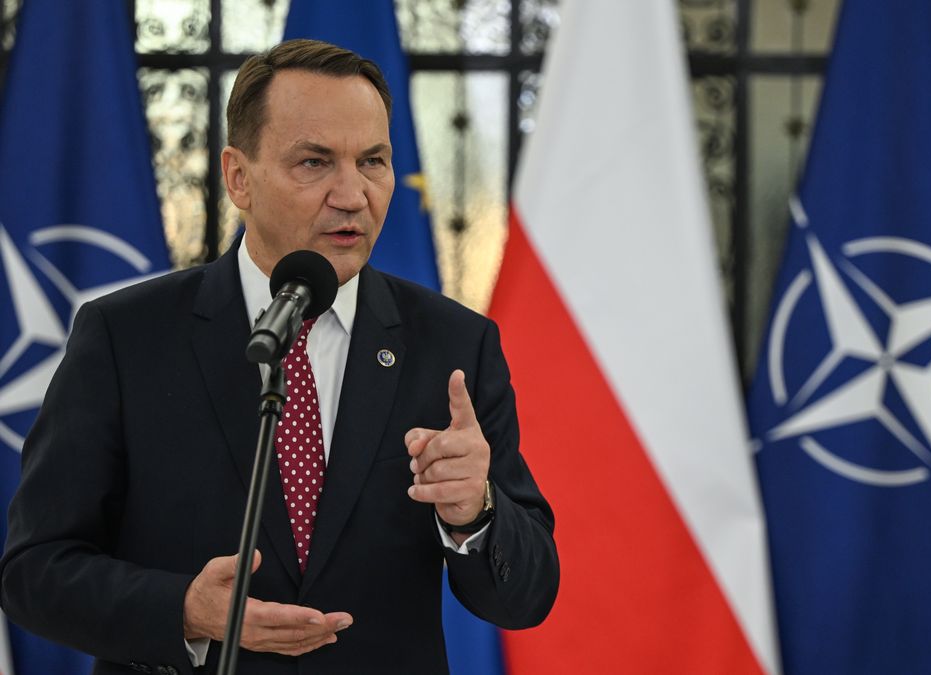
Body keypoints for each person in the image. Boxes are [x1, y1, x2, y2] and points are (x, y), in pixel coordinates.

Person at [0, 39, 558, 675]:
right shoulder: (125, 336)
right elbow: (34, 571)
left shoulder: (455, 346)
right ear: (239, 176)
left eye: (372, 161)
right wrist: (183, 609)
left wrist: (474, 512)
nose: (353, 194)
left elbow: (526, 597)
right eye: (315, 163)